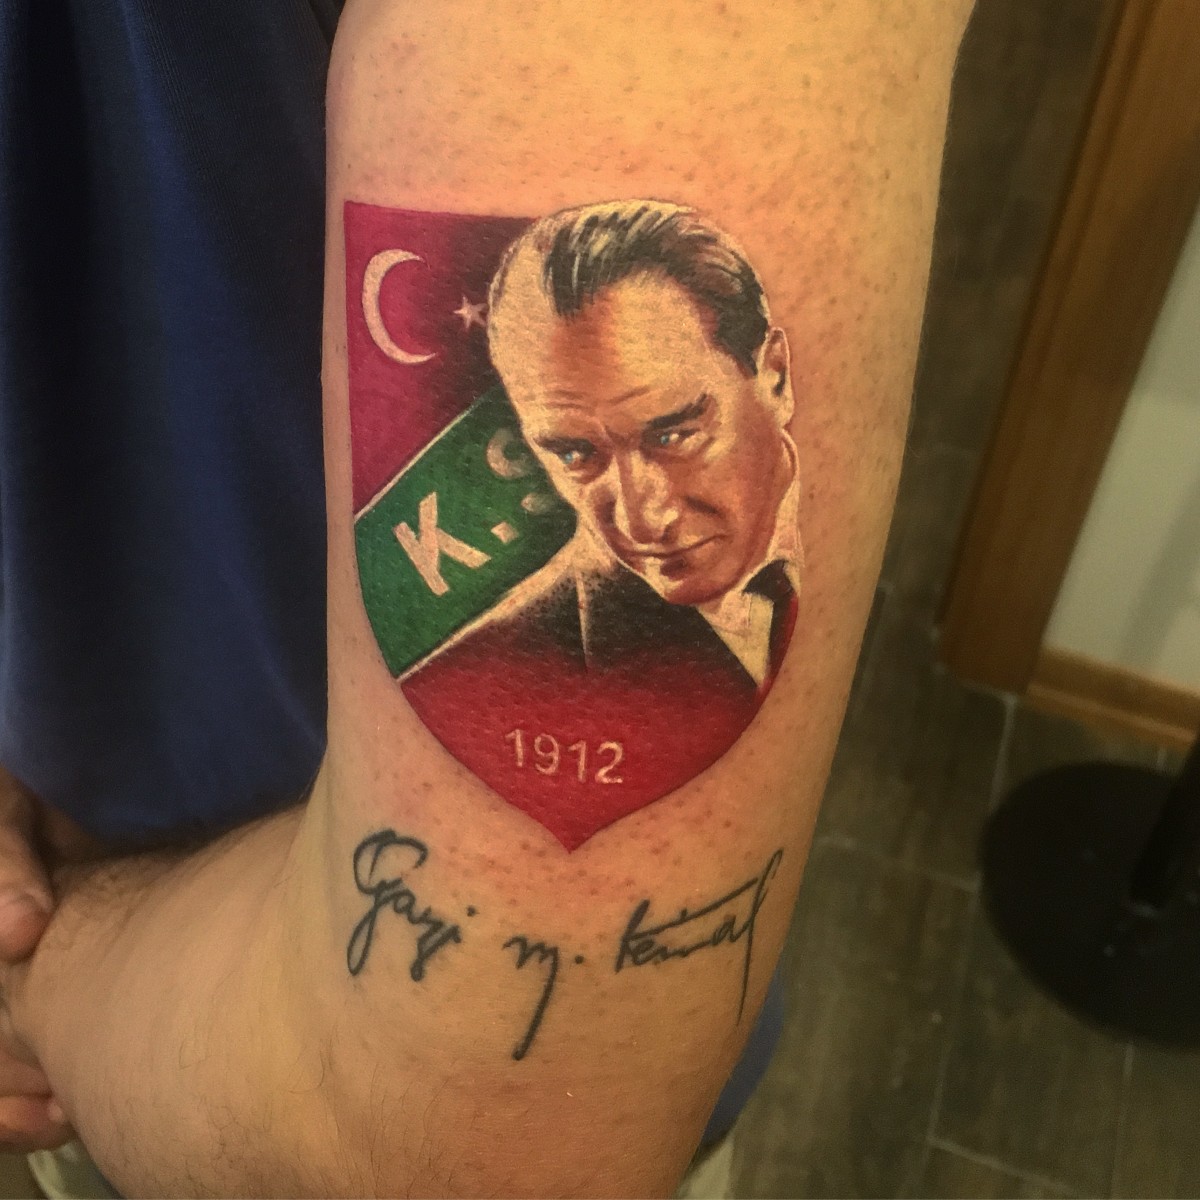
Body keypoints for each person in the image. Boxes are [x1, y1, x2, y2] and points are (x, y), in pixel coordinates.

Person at [0, 1, 974, 1195]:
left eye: (675, 428)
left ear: (768, 368)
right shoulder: (548, 626)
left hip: (185, 1056)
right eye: (573, 455)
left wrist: (38, 971)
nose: (637, 514)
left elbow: (474, 1151)